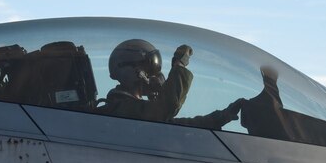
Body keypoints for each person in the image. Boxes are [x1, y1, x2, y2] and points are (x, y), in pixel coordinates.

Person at [97, 39, 244, 129]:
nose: (157, 77)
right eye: (152, 70)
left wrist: (219, 118)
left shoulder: (132, 110)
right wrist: (179, 67)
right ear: (137, 73)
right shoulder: (120, 110)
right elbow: (166, 107)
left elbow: (179, 127)